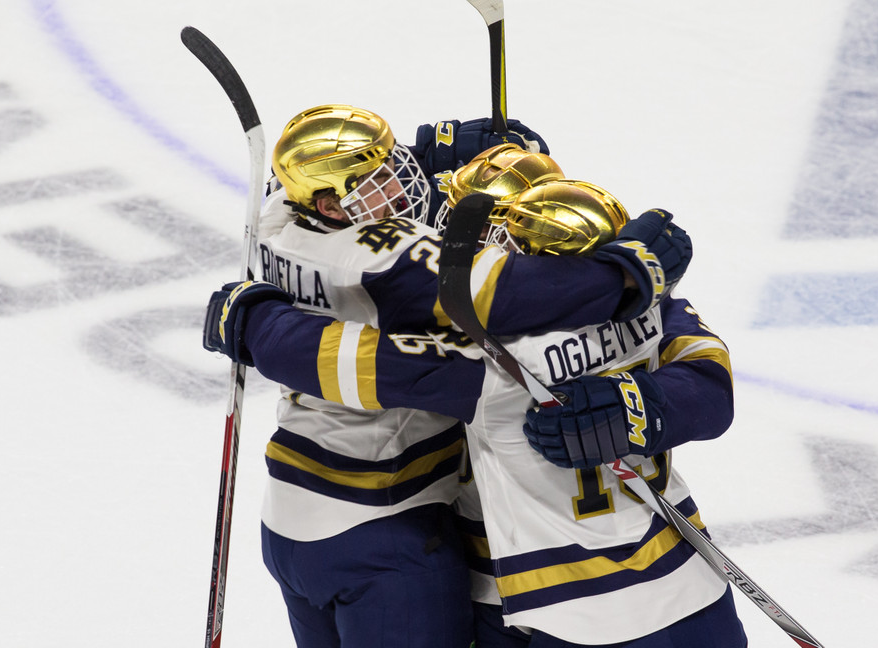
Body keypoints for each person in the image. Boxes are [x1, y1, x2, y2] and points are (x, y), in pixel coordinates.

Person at [222, 105, 692, 648]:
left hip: (292, 516)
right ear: (331, 205)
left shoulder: (275, 219)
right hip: (387, 528)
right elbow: (512, 295)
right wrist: (628, 272)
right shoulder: (399, 268)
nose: (403, 190)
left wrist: (258, 323)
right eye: (379, 183)